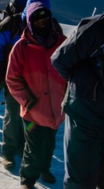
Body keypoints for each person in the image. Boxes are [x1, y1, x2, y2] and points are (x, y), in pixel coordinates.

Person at [0, 0, 54, 170]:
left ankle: (26, 151)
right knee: (13, 113)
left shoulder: (51, 27)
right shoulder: (12, 24)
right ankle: (9, 150)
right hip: (15, 79)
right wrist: (0, 73)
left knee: (32, 118)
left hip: (40, 84)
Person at [6, 1, 66, 189]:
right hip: (33, 110)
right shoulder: (21, 47)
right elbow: (12, 79)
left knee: (49, 144)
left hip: (57, 107)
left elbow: (72, 71)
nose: (42, 22)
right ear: (30, 21)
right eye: (37, 19)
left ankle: (44, 168)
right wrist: (27, 100)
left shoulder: (62, 42)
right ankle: (28, 179)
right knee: (33, 147)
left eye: (45, 18)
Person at [51, 14, 104, 189]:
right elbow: (60, 60)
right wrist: (84, 87)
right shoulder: (97, 27)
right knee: (79, 181)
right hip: (85, 116)